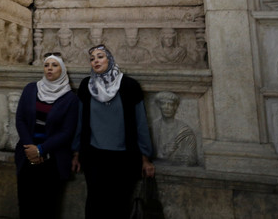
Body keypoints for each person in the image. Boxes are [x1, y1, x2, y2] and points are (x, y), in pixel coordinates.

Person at [72, 45, 155, 219]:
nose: (95, 61)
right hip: (94, 156)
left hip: (123, 158)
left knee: (119, 206)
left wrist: (145, 157)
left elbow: (140, 123)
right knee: (95, 205)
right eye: (92, 58)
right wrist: (76, 152)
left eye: (100, 56)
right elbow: (80, 122)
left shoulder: (129, 85)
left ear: (110, 59)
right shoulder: (87, 86)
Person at [14, 53, 78, 219]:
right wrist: (30, 148)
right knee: (26, 204)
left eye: (54, 65)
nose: (49, 68)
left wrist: (41, 149)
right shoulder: (30, 89)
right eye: (47, 65)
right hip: (27, 156)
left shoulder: (70, 98)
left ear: (62, 70)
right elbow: (20, 119)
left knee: (47, 207)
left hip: (52, 159)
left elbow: (67, 131)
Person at [151, 92, 197, 166]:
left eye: (170, 104)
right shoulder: (154, 127)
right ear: (159, 106)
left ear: (175, 107)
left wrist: (175, 153)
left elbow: (192, 159)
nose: (166, 107)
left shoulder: (185, 131)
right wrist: (162, 153)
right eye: (163, 103)